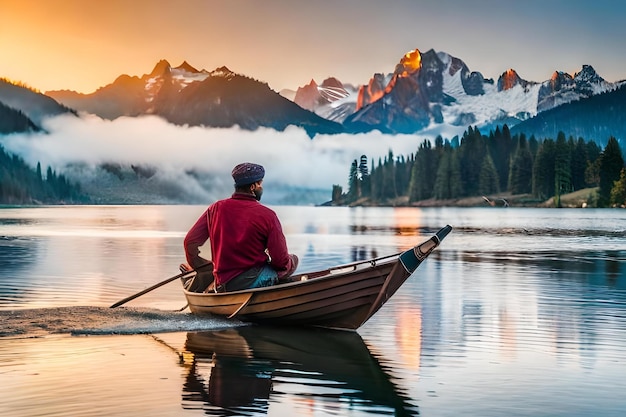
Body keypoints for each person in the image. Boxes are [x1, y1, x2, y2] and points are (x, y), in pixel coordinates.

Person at [183, 162, 298, 293]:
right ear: (253, 186)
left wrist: (202, 267)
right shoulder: (268, 215)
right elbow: (281, 262)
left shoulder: (215, 209)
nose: (261, 188)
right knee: (292, 260)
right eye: (260, 184)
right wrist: (287, 262)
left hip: (222, 282)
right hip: (249, 282)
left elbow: (190, 242)